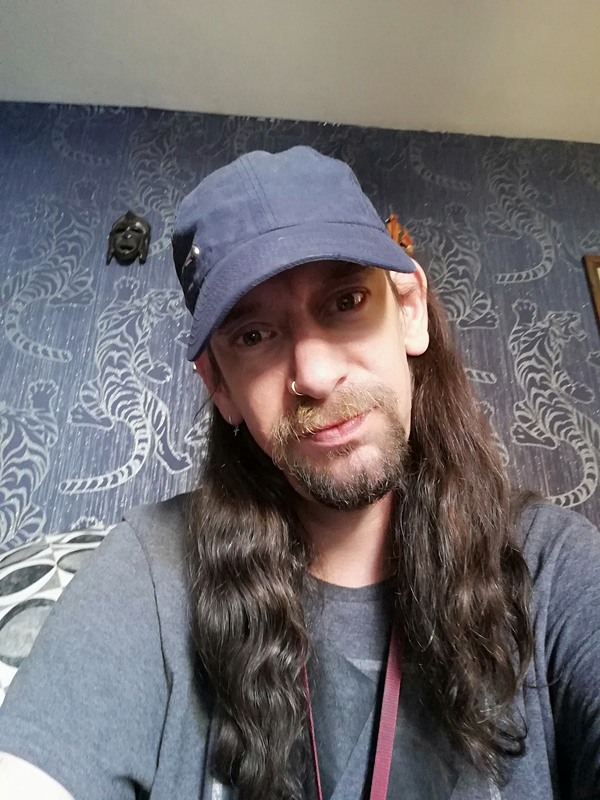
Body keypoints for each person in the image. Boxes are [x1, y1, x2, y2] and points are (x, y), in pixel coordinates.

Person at [0, 146, 599, 800]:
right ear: (220, 386)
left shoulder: (554, 568)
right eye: (254, 336)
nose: (313, 375)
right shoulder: (151, 574)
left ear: (409, 310)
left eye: (346, 300)